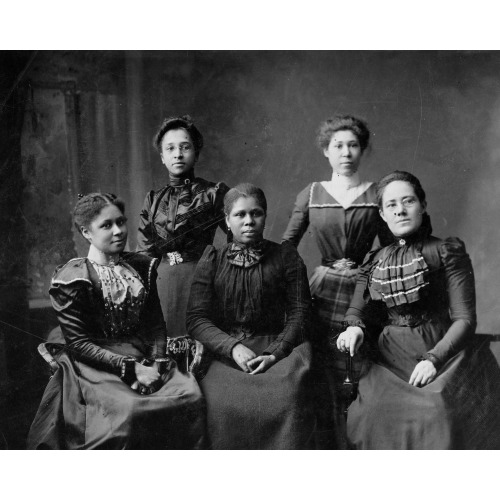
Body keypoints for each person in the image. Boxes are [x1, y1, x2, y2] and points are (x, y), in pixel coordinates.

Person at [337, 171, 500, 449]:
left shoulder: (446, 250)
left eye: (408, 201)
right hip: (388, 358)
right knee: (370, 416)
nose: (400, 210)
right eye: (391, 205)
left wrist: (433, 360)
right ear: (383, 214)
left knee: (437, 411)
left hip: (442, 351)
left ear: (422, 206)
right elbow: (356, 310)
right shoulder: (374, 260)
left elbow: (465, 319)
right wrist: (354, 328)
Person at [27, 193, 205, 449]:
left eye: (121, 222)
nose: (119, 231)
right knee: (130, 411)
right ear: (86, 232)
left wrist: (156, 363)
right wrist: (130, 368)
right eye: (107, 225)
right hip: (92, 362)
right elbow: (78, 343)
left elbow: (155, 325)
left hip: (140, 351)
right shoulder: (72, 277)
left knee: (188, 396)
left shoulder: (140, 267)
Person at [282, 115, 391, 448]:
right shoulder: (312, 193)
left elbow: (389, 248)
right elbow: (287, 247)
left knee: (360, 369)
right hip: (323, 289)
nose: (346, 153)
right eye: (338, 146)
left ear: (362, 151)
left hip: (363, 289)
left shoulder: (376, 192)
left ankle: (356, 442)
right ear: (326, 152)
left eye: (353, 145)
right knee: (321, 369)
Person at [187, 183, 315, 449]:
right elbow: (197, 319)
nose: (249, 221)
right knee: (219, 403)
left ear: (265, 216)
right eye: (240, 215)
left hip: (278, 350)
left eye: (256, 213)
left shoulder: (285, 256)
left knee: (289, 398)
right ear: (227, 220)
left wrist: (275, 353)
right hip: (225, 354)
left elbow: (300, 314)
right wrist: (232, 348)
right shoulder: (212, 259)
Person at [136, 115, 230, 338]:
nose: (177, 154)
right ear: (162, 157)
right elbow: (144, 252)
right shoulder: (153, 199)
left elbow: (235, 240)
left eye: (185, 147)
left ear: (196, 152)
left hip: (202, 280)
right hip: (161, 283)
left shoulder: (213, 193)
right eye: (170, 149)